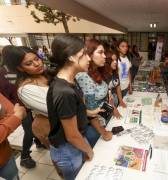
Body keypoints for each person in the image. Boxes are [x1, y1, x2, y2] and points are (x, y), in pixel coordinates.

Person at [46, 34, 94, 180]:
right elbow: (72, 135)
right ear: (72, 57)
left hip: (75, 142)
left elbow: (76, 111)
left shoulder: (71, 81)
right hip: (68, 150)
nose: (89, 59)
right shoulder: (64, 91)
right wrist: (88, 150)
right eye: (84, 54)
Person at [76, 39, 113, 144]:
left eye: (104, 52)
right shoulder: (84, 76)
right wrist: (104, 133)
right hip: (94, 127)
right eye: (100, 52)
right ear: (89, 54)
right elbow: (90, 111)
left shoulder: (96, 70)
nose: (105, 56)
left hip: (102, 120)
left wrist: (108, 94)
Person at [0, 93, 26, 180]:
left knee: (14, 177)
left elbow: (12, 111)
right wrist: (16, 117)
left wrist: (15, 116)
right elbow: (16, 115)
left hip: (4, 157)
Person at [104, 50, 123, 118]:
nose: (115, 62)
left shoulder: (115, 73)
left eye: (116, 60)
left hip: (115, 102)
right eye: (112, 60)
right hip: (107, 106)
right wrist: (113, 108)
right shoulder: (103, 76)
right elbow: (107, 95)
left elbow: (118, 87)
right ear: (107, 62)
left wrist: (121, 101)